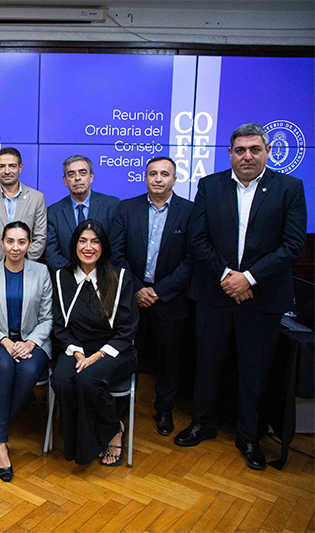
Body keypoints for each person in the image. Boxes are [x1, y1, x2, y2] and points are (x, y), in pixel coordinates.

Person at [174, 123, 307, 470]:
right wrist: (226, 277)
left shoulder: (290, 188)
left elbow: (294, 244)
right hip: (214, 292)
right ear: (230, 153)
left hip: (262, 297)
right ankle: (203, 423)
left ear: (267, 152)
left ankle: (249, 436)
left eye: (254, 149)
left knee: (254, 369)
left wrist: (248, 278)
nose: (247, 156)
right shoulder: (210, 185)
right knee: (207, 363)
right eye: (240, 150)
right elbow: (197, 238)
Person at [110, 156, 193, 436]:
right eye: (153, 174)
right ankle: (120, 404)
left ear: (174, 179)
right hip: (132, 295)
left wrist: (159, 291)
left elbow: (191, 260)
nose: (158, 179)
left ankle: (165, 408)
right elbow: (116, 254)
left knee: (169, 358)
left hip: (170, 298)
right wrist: (137, 289)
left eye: (164, 174)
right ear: (145, 178)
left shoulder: (190, 211)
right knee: (126, 351)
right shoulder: (126, 208)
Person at [51, 220, 138, 467]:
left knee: (87, 380)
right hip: (76, 348)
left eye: (95, 241)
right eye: (82, 241)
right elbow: (60, 327)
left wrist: (97, 357)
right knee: (62, 380)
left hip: (115, 350)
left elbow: (126, 331)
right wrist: (79, 355)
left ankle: (113, 428)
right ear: (74, 245)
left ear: (103, 246)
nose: (88, 247)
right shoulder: (61, 277)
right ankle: (79, 443)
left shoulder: (119, 277)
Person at [0, 221, 53, 481]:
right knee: (5, 366)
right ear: (2, 243)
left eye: (21, 242)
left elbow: (47, 318)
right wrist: (6, 342)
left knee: (29, 370)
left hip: (33, 341)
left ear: (30, 244)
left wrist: (30, 342)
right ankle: (1, 446)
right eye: (10, 241)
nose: (15, 247)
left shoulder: (41, 272)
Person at [0, 147, 47, 266]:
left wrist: (23, 263)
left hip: (28, 270)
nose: (7, 171)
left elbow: (40, 237)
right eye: (2, 166)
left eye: (12, 166)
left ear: (20, 167)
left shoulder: (36, 198)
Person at [45, 155, 120, 273]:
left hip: (105, 278)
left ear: (91, 177)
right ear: (65, 180)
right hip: (68, 279)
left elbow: (117, 248)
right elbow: (52, 253)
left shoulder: (112, 205)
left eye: (83, 173)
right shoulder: (54, 212)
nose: (77, 178)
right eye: (71, 174)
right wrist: (75, 274)